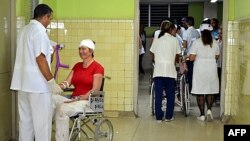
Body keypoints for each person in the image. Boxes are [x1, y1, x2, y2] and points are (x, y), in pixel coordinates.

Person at [10, 4, 63, 141]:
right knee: (42, 125)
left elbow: (39, 57)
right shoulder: (40, 32)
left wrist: (50, 50)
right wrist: (51, 82)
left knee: (25, 123)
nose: (49, 22)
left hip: (23, 85)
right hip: (38, 87)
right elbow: (40, 58)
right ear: (45, 16)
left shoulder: (24, 30)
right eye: (50, 18)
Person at [53, 39, 104, 141]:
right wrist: (56, 88)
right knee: (50, 99)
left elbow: (95, 90)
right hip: (74, 100)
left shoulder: (98, 67)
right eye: (80, 49)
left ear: (91, 51)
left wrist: (79, 98)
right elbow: (67, 82)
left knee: (62, 109)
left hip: (87, 102)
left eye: (84, 49)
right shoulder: (77, 66)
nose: (81, 51)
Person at [150, 20, 181, 122]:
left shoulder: (157, 39)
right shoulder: (174, 40)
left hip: (158, 69)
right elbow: (177, 57)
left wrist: (158, 60)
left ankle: (159, 117)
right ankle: (168, 116)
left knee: (158, 94)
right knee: (170, 94)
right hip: (170, 70)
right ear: (171, 29)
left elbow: (152, 54)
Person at [188, 23, 220, 122]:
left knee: (200, 91)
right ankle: (209, 110)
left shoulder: (197, 42)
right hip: (211, 68)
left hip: (200, 68)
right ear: (210, 32)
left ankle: (202, 114)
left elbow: (192, 58)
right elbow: (216, 56)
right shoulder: (215, 43)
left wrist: (192, 57)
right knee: (210, 90)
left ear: (201, 32)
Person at [182, 16, 200, 93]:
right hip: (197, 56)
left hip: (189, 57)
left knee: (190, 74)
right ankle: (196, 89)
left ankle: (191, 89)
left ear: (187, 23)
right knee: (195, 74)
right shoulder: (197, 32)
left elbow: (185, 46)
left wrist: (183, 54)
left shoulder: (186, 32)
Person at [216, 27, 223, 104]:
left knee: (221, 80)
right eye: (219, 33)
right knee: (218, 79)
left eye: (221, 33)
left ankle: (220, 95)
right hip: (217, 64)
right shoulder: (217, 42)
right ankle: (217, 95)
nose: (219, 35)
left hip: (222, 64)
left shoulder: (224, 43)